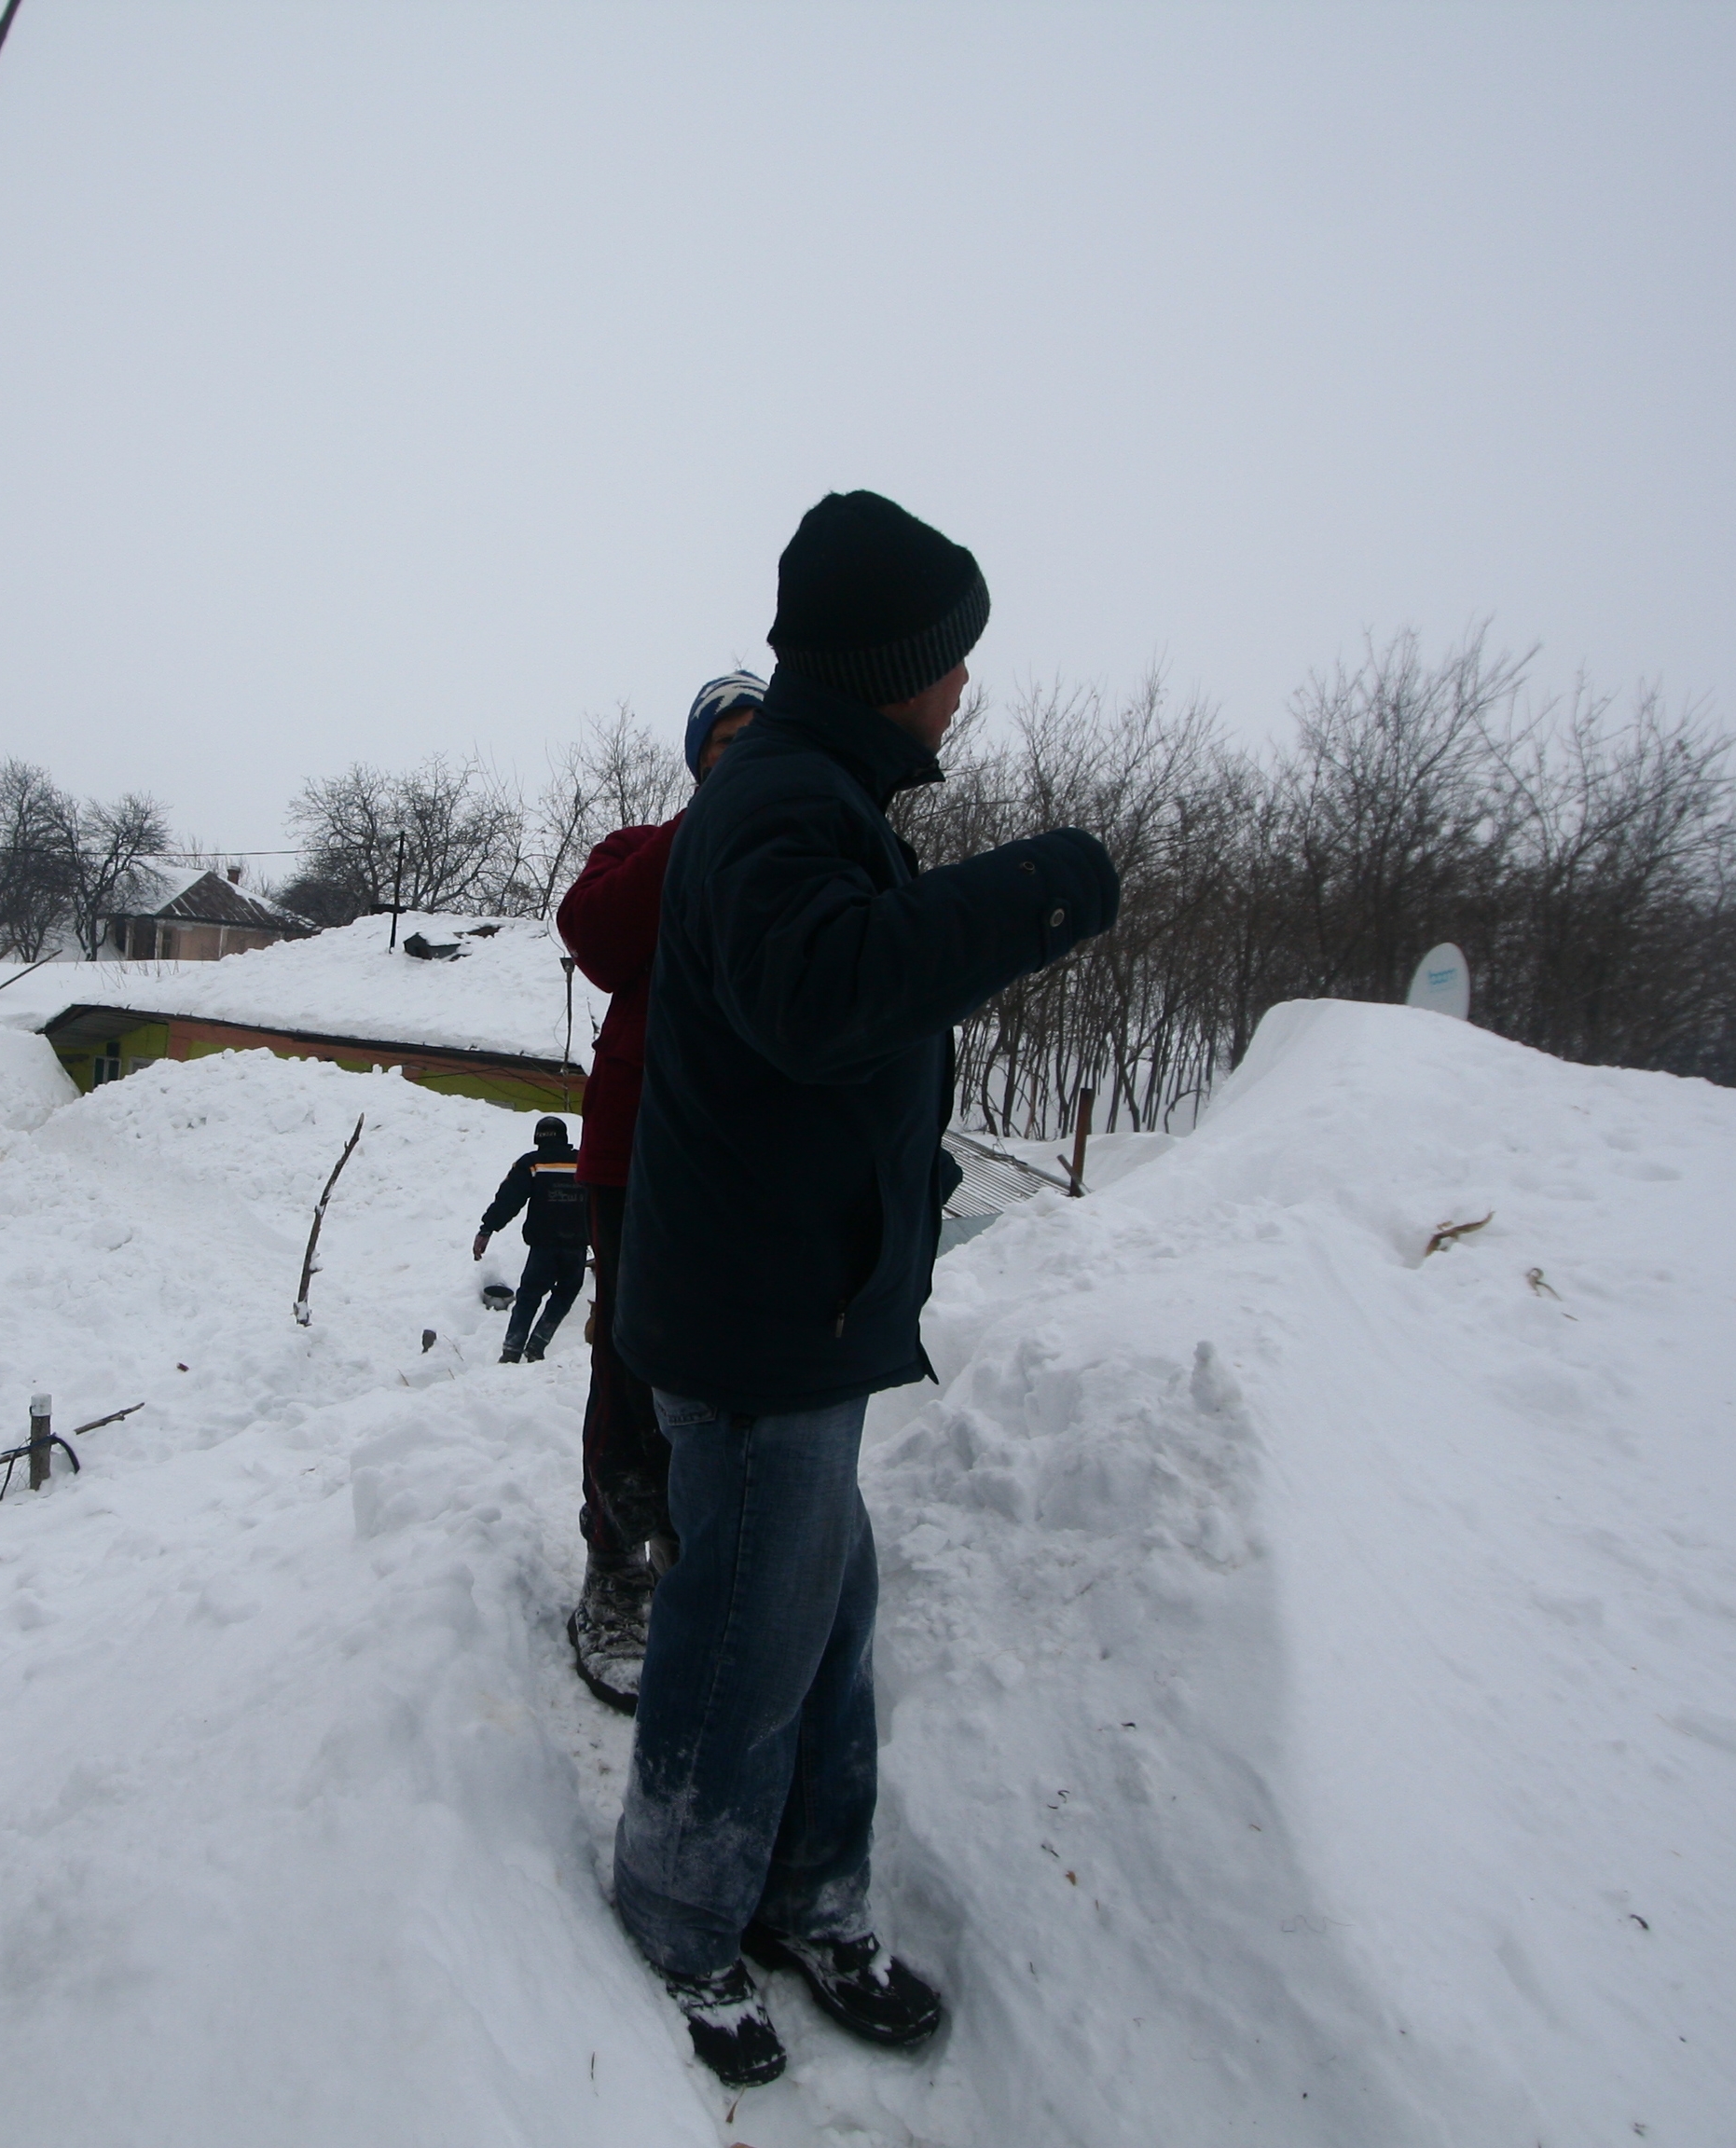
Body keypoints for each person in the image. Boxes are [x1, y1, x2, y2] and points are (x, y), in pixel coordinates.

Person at [613, 490, 1120, 2086]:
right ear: (894, 660)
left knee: (821, 1619)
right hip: (761, 1325)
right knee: (741, 1637)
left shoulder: (817, 793)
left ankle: (813, 1888)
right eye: (954, 657)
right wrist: (1040, 883)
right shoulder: (775, 802)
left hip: (795, 1306)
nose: (966, 684)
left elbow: (833, 1013)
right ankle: (683, 1912)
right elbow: (828, 990)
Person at [552, 670, 766, 1714]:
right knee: (634, 1361)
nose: (745, 756)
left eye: (761, 741)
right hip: (640, 1159)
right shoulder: (640, 848)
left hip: (757, 1166)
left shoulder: (797, 865)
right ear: (697, 761)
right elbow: (595, 937)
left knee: (737, 1378)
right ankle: (623, 1569)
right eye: (726, 743)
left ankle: (708, 1560)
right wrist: (708, 828)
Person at [473, 1114, 587, 1362]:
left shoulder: (532, 1163)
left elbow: (508, 1199)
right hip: (576, 1245)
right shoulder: (583, 1162)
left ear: (538, 1138)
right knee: (566, 1293)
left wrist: (487, 1229)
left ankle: (512, 1350)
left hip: (543, 1246)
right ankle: (537, 1344)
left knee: (529, 1296)